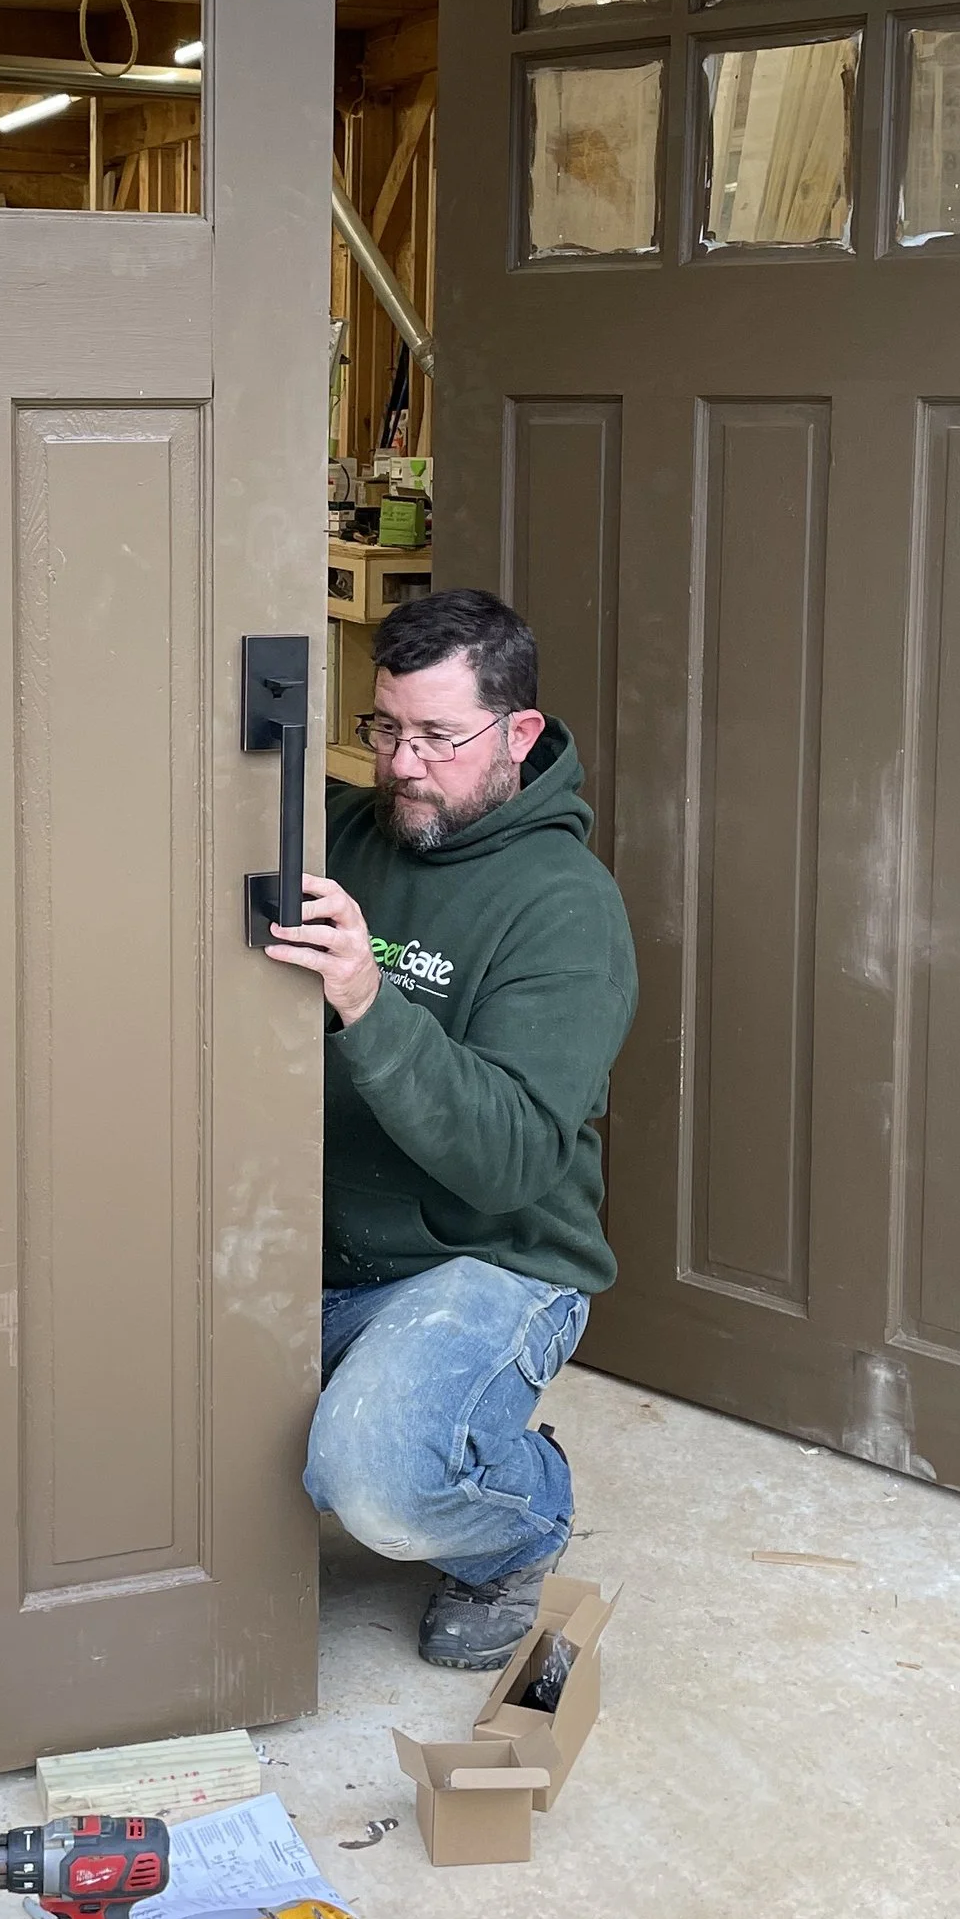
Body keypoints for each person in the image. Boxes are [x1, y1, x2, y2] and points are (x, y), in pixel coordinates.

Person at [266, 586, 638, 1672]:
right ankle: (441, 1425)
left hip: (483, 1261)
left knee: (376, 1480)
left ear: (518, 733)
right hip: (318, 1244)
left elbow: (511, 1158)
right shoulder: (344, 833)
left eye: (436, 735)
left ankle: (522, 1515)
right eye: (385, 728)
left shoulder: (565, 909)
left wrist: (368, 1002)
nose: (400, 764)